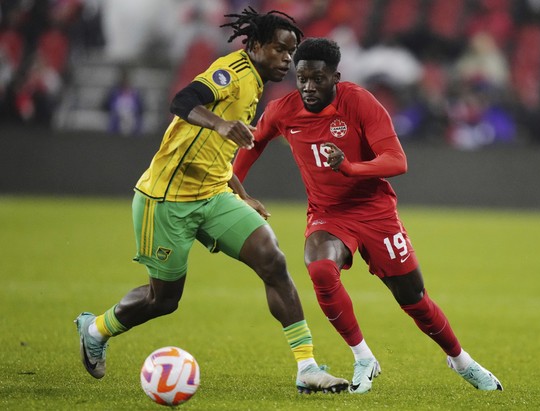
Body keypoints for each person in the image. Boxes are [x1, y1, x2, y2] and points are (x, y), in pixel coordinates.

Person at [74, 9, 349, 395]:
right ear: (254, 46)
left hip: (213, 194)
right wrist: (220, 123)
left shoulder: (256, 83)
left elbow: (215, 152)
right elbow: (182, 100)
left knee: (273, 260)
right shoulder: (231, 73)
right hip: (167, 199)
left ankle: (306, 367)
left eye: (291, 52)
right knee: (163, 299)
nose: (287, 60)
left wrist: (242, 193)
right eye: (279, 50)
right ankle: (95, 328)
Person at [233, 38, 503, 394]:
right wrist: (237, 191)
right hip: (328, 215)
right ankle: (362, 356)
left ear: (335, 76)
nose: (309, 87)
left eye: (317, 78)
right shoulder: (283, 110)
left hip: (375, 212)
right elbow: (253, 143)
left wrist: (350, 167)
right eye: (302, 79)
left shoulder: (359, 102)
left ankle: (460, 360)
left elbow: (396, 160)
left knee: (414, 300)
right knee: (319, 268)